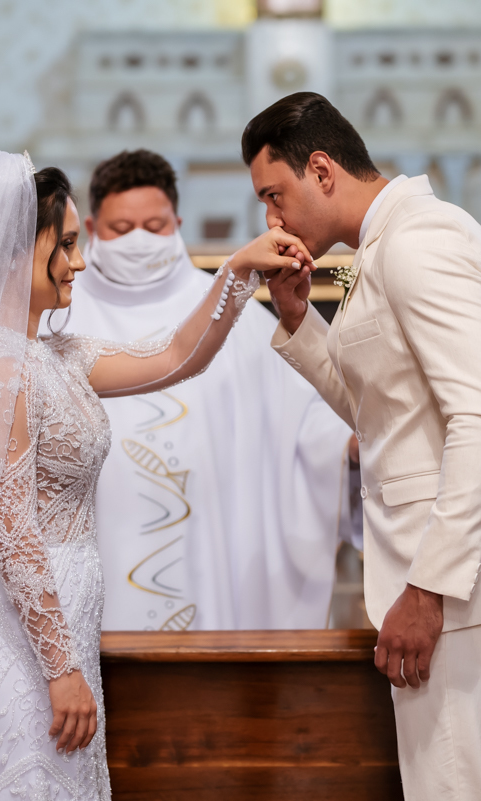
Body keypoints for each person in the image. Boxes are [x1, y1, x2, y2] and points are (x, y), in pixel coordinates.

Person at [0, 144, 314, 800]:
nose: (80, 261)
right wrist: (61, 670)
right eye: (63, 245)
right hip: (21, 646)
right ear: (11, 254)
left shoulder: (55, 355)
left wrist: (238, 271)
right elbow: (12, 531)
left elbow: (176, 355)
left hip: (67, 628)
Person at [248, 94, 481, 799]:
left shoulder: (420, 241)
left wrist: (427, 591)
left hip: (466, 595)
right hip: (457, 592)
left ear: (322, 168)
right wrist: (300, 320)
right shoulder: (386, 244)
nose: (271, 220)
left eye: (275, 196)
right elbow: (383, 417)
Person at [41, 150, 356, 631]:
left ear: (178, 222)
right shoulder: (58, 320)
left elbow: (304, 422)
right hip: (92, 557)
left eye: (155, 225)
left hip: (211, 550)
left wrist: (345, 446)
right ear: (90, 226)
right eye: (122, 229)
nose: (140, 240)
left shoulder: (244, 320)